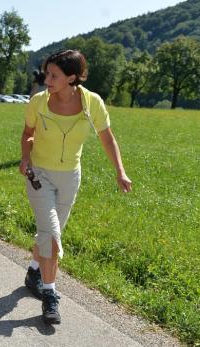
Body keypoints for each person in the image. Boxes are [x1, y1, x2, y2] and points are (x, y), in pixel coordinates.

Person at [20, 50, 132, 325]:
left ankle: (34, 271)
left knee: (49, 233)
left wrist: (120, 171)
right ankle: (50, 295)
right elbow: (27, 133)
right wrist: (25, 158)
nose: (47, 79)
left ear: (72, 78)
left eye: (53, 75)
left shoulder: (91, 103)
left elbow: (107, 138)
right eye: (47, 73)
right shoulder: (38, 102)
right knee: (52, 235)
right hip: (40, 175)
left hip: (70, 176)